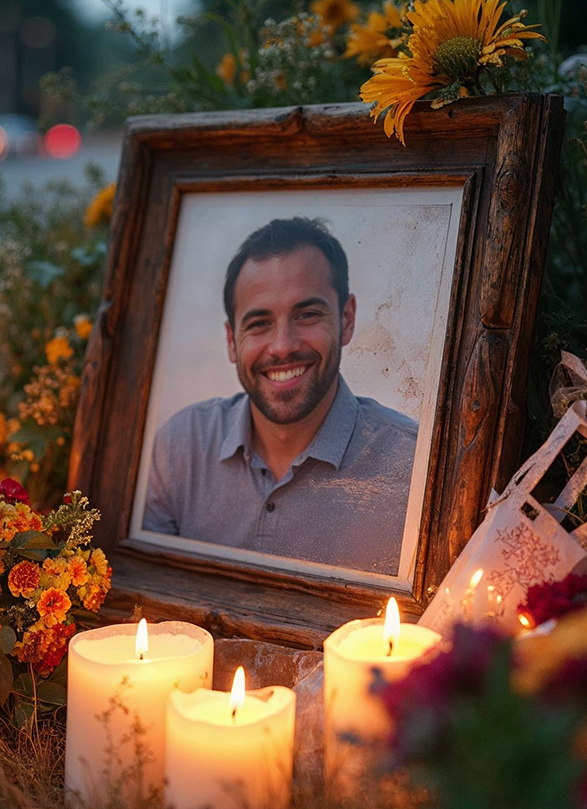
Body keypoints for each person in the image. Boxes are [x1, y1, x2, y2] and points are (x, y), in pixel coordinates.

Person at [143, 217, 418, 575]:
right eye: (259, 323)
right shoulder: (180, 449)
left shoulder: (412, 470)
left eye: (307, 315)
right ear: (231, 340)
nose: (283, 346)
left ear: (346, 319)